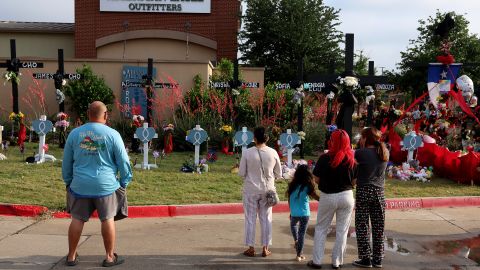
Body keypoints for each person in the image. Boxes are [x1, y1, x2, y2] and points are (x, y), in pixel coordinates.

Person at [62, 101, 132, 267]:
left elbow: (66, 162)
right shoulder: (113, 134)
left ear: (88, 114)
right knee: (107, 219)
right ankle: (109, 257)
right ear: (106, 115)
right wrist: (124, 180)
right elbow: (123, 160)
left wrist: (68, 181)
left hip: (80, 185)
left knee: (77, 219)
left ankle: (71, 256)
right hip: (106, 186)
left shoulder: (75, 134)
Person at [308, 129, 356, 269]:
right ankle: (337, 262)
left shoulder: (324, 158)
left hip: (328, 196)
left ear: (332, 141)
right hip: (346, 196)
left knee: (321, 228)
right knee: (342, 230)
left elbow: (316, 179)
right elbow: (354, 182)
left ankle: (317, 261)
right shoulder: (352, 159)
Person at [238, 126, 282, 258]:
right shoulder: (273, 153)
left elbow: (241, 173)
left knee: (250, 219)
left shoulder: (247, 153)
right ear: (267, 138)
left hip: (250, 190)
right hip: (267, 190)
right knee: (266, 219)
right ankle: (265, 248)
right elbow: (278, 174)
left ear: (254, 139)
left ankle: (251, 248)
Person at [353, 127, 389, 268]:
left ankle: (365, 259)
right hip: (379, 192)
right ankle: (378, 259)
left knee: (362, 225)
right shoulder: (385, 152)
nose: (360, 140)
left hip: (364, 190)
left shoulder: (360, 153)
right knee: (378, 226)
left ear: (366, 138)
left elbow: (352, 166)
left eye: (362, 137)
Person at [286, 164, 319, 262]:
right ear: (307, 174)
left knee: (293, 226)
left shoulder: (292, 185)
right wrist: (324, 199)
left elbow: (289, 199)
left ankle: (296, 240)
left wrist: (291, 211)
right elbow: (316, 197)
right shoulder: (308, 186)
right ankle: (299, 255)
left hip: (294, 213)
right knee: (302, 234)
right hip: (305, 214)